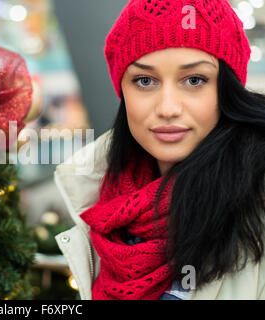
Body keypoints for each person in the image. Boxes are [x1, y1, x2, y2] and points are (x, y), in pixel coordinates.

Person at [54, 0, 265, 300]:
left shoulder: (256, 207)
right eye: (144, 80)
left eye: (194, 80)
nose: (167, 108)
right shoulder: (103, 204)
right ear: (123, 90)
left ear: (226, 89)